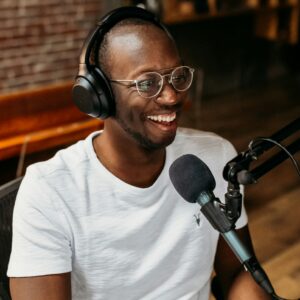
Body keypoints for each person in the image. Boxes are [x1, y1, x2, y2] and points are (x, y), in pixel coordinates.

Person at [8, 6, 271, 300]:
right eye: (147, 83)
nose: (171, 96)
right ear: (100, 95)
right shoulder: (49, 191)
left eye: (177, 76)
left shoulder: (215, 156)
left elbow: (237, 273)